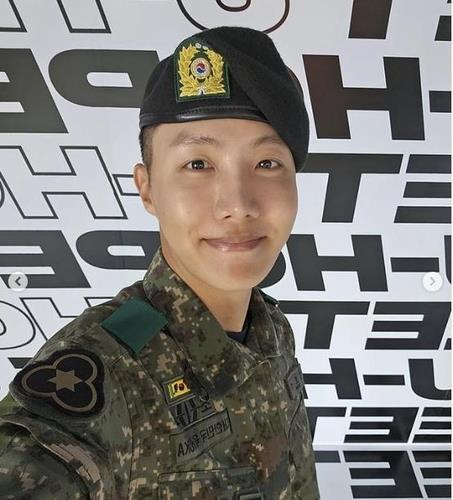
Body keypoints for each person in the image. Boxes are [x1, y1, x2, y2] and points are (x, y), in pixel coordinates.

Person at [0, 26, 319, 499]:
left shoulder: (271, 327)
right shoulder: (112, 371)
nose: (237, 205)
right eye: (198, 164)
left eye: (267, 164)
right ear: (147, 189)